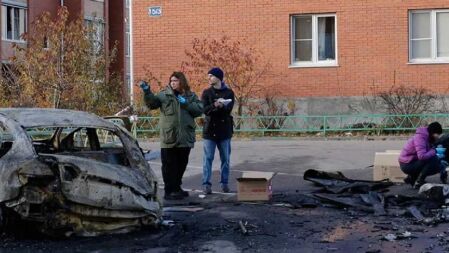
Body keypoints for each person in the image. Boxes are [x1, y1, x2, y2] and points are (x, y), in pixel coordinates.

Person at [139, 72, 203, 200]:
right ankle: (169, 191)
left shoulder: (190, 96)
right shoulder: (164, 95)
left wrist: (186, 104)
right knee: (169, 164)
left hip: (185, 136)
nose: (173, 82)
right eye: (171, 80)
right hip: (169, 136)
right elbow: (152, 104)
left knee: (181, 163)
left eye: (176, 80)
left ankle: (177, 187)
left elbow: (199, 110)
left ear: (182, 82)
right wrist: (147, 92)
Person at [201, 67, 235, 194]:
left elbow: (228, 109)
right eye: (208, 76)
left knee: (225, 158)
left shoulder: (229, 92)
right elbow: (204, 110)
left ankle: (224, 183)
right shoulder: (206, 93)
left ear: (218, 77)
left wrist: (222, 106)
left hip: (224, 130)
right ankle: (206, 184)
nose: (209, 78)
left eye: (211, 76)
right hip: (210, 131)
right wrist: (215, 105)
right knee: (208, 158)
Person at [399, 122, 444, 188]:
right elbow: (422, 156)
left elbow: (427, 152)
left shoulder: (428, 137)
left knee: (438, 163)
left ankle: (412, 178)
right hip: (406, 164)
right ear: (433, 132)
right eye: (437, 134)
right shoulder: (420, 137)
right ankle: (419, 181)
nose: (438, 136)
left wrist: (435, 149)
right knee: (433, 160)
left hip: (412, 161)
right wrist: (435, 151)